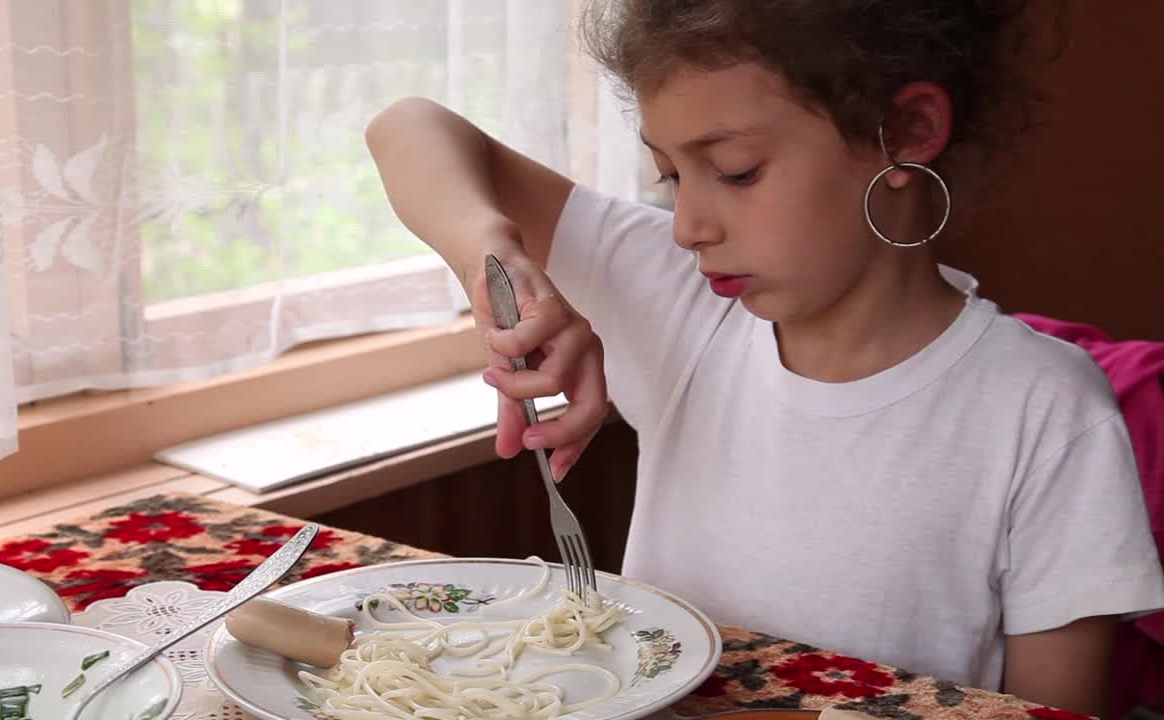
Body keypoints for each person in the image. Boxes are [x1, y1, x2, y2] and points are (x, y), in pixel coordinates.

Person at [364, 1, 1164, 715]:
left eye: (736, 171)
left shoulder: (1048, 415)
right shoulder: (682, 303)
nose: (687, 226)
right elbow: (406, 127)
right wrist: (499, 258)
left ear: (908, 131)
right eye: (671, 175)